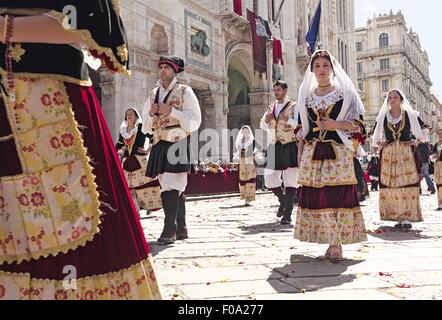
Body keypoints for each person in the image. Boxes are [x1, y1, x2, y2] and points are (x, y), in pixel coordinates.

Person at [0, 2, 161, 299]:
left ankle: (175, 222)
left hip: (47, 100)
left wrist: (6, 28)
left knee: (65, 227)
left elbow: (84, 22)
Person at [295, 50, 367, 260]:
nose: (321, 70)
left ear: (332, 68)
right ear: (312, 70)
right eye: (317, 66)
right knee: (319, 198)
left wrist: (335, 124)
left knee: (338, 196)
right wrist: (300, 153)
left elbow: (359, 126)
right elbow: (303, 129)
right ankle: (330, 240)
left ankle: (337, 243)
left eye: (325, 65)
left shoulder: (345, 95)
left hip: (338, 153)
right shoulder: (306, 98)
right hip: (313, 154)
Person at [142, 56, 201, 245]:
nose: (163, 71)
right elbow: (145, 124)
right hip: (160, 142)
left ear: (175, 71)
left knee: (171, 184)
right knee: (167, 184)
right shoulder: (153, 93)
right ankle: (181, 227)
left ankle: (169, 229)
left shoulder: (185, 91)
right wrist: (151, 115)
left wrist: (172, 111)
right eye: (161, 67)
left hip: (178, 141)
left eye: (167, 67)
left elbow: (195, 120)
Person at [372, 89, 425, 230]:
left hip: (406, 153)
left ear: (401, 99)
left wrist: (415, 141)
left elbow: (424, 129)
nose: (392, 99)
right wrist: (379, 143)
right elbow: (375, 134)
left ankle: (407, 216)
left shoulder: (410, 115)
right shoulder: (383, 116)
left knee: (407, 183)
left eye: (395, 97)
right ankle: (398, 216)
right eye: (390, 97)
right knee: (392, 184)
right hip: (389, 154)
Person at [260, 80, 300, 225]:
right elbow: (263, 125)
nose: (276, 92)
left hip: (289, 144)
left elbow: (301, 124)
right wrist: (266, 119)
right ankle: (283, 201)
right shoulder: (271, 107)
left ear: (285, 90)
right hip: (274, 145)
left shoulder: (294, 106)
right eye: (275, 90)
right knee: (269, 178)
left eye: (278, 90)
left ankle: (287, 214)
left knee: (291, 179)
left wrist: (289, 120)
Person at [116, 108, 162, 216]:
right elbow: (119, 144)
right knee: (129, 187)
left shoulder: (141, 127)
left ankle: (149, 205)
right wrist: (117, 150)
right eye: (127, 115)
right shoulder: (123, 130)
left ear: (136, 116)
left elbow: (154, 137)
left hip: (140, 161)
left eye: (131, 114)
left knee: (147, 184)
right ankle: (135, 210)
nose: (129, 116)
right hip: (127, 161)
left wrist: (147, 151)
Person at [235, 125, 257, 206]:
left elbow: (253, 151)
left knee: (250, 179)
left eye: (246, 131)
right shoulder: (240, 141)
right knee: (243, 179)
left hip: (250, 161)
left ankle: (249, 197)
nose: (245, 132)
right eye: (243, 131)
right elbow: (239, 151)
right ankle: (245, 196)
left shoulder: (252, 141)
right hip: (242, 162)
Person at [418, 128, 436, 194]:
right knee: (426, 175)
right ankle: (432, 188)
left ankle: (419, 189)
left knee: (420, 176)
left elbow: (423, 154)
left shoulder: (421, 145)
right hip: (424, 161)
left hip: (422, 162)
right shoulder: (426, 144)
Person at [431, 128, 442, 210]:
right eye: (439, 134)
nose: (440, 135)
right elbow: (433, 154)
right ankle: (440, 203)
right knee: (438, 184)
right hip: (438, 166)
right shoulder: (436, 144)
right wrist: (434, 157)